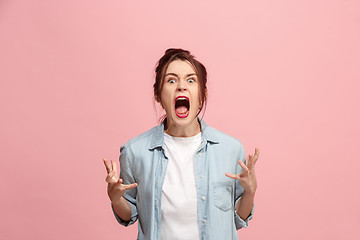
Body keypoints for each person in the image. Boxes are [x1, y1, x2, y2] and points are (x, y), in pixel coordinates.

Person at [103, 48, 259, 240]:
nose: (181, 86)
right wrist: (116, 198)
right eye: (171, 80)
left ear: (202, 94)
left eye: (191, 80)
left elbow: (238, 218)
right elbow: (129, 215)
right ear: (158, 95)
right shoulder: (135, 151)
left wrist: (250, 192)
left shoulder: (231, 149)